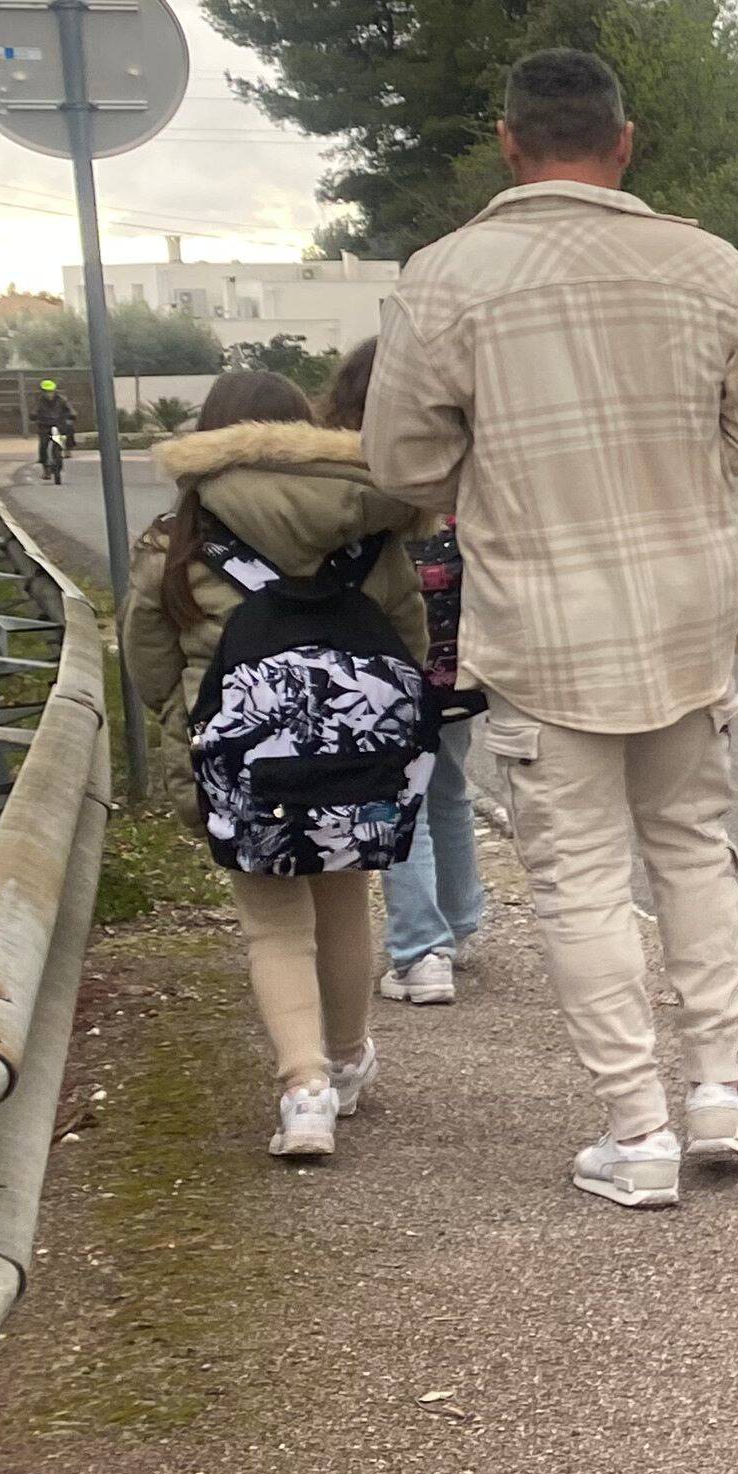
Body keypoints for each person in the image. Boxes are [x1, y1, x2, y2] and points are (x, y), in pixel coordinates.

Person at [363, 46, 738, 1210]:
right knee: (693, 848)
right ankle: (721, 1089)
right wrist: (679, 448)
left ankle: (637, 1130)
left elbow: (400, 461)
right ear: (625, 143)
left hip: (544, 621)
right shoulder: (706, 264)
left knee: (577, 880)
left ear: (509, 143)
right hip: (690, 612)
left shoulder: (444, 278)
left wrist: (495, 458)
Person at [122, 366, 436, 1162]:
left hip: (246, 763)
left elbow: (146, 660)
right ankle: (350, 1058)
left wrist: (191, 726)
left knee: (272, 925)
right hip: (356, 757)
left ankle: (304, 1093)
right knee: (343, 902)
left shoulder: (175, 540)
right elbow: (409, 636)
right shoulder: (370, 531)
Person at [320, 338, 487, 1006]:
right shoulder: (460, 463)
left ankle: (422, 953)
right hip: (461, 669)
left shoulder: (348, 475)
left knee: (398, 805)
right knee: (448, 790)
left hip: (382, 672)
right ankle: (462, 921)